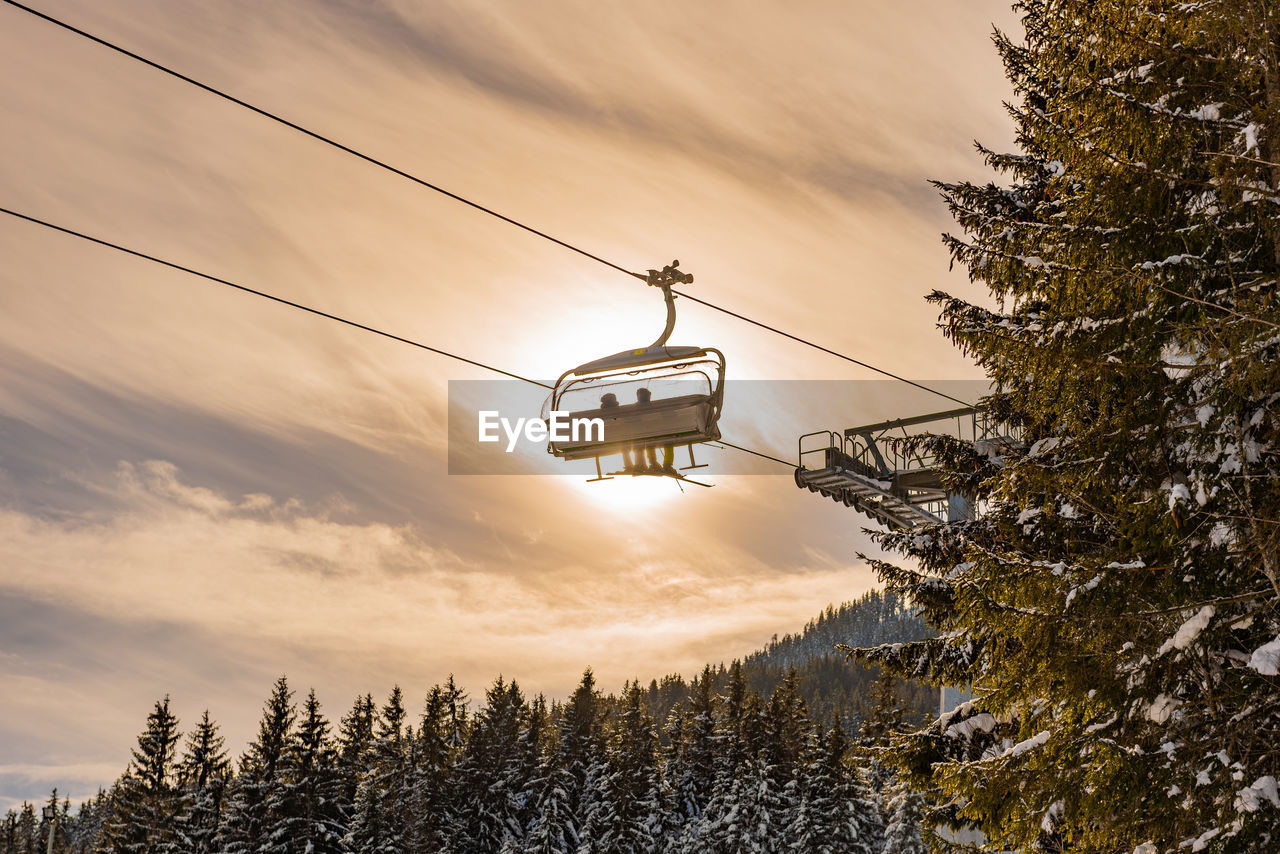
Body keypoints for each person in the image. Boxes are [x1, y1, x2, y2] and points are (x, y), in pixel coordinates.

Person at [635, 388, 677, 474]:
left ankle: (653, 463)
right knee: (667, 441)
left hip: (644, 435)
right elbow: (671, 416)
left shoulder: (633, 409)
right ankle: (667, 465)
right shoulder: (657, 406)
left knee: (649, 442)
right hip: (660, 433)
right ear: (649, 395)